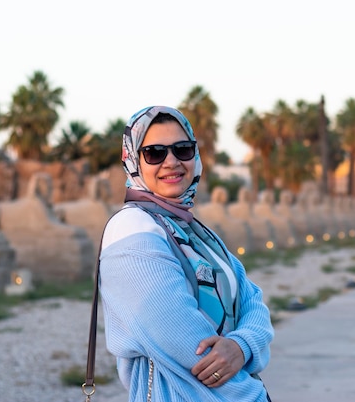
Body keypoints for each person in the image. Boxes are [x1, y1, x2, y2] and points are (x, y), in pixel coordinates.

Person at [98, 106, 274, 401]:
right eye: (154, 153)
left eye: (182, 149)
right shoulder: (132, 228)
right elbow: (187, 346)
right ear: (133, 160)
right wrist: (253, 396)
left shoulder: (196, 231)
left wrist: (242, 346)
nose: (171, 162)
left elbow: (252, 300)